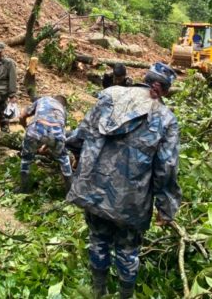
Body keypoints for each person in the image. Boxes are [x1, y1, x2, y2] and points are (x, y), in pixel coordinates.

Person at [67, 62, 182, 298]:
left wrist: (77, 155)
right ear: (165, 90)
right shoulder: (165, 118)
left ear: (145, 78)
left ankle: (98, 291)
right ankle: (124, 295)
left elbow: (80, 134)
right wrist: (166, 206)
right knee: (128, 250)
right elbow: (166, 168)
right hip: (131, 201)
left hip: (93, 188)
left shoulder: (109, 96)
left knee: (98, 239)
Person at [16, 95, 72, 194]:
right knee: (64, 160)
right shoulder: (63, 111)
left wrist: (26, 128)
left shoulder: (44, 99)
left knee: (26, 159)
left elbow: (22, 116)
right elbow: (58, 132)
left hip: (35, 131)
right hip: (56, 135)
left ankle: (24, 189)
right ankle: (69, 192)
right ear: (63, 105)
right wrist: (46, 146)